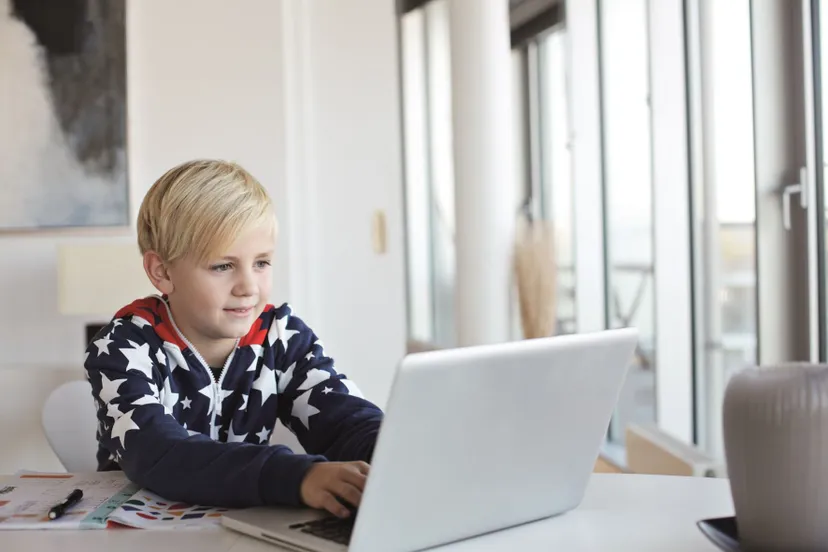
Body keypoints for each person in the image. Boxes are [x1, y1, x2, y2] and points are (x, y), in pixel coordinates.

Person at [84, 159, 382, 518]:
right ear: (161, 272)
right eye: (222, 266)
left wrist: (392, 452)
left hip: (239, 530)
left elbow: (346, 420)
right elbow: (158, 451)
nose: (249, 287)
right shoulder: (123, 347)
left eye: (261, 263)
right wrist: (295, 475)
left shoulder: (281, 339)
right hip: (137, 532)